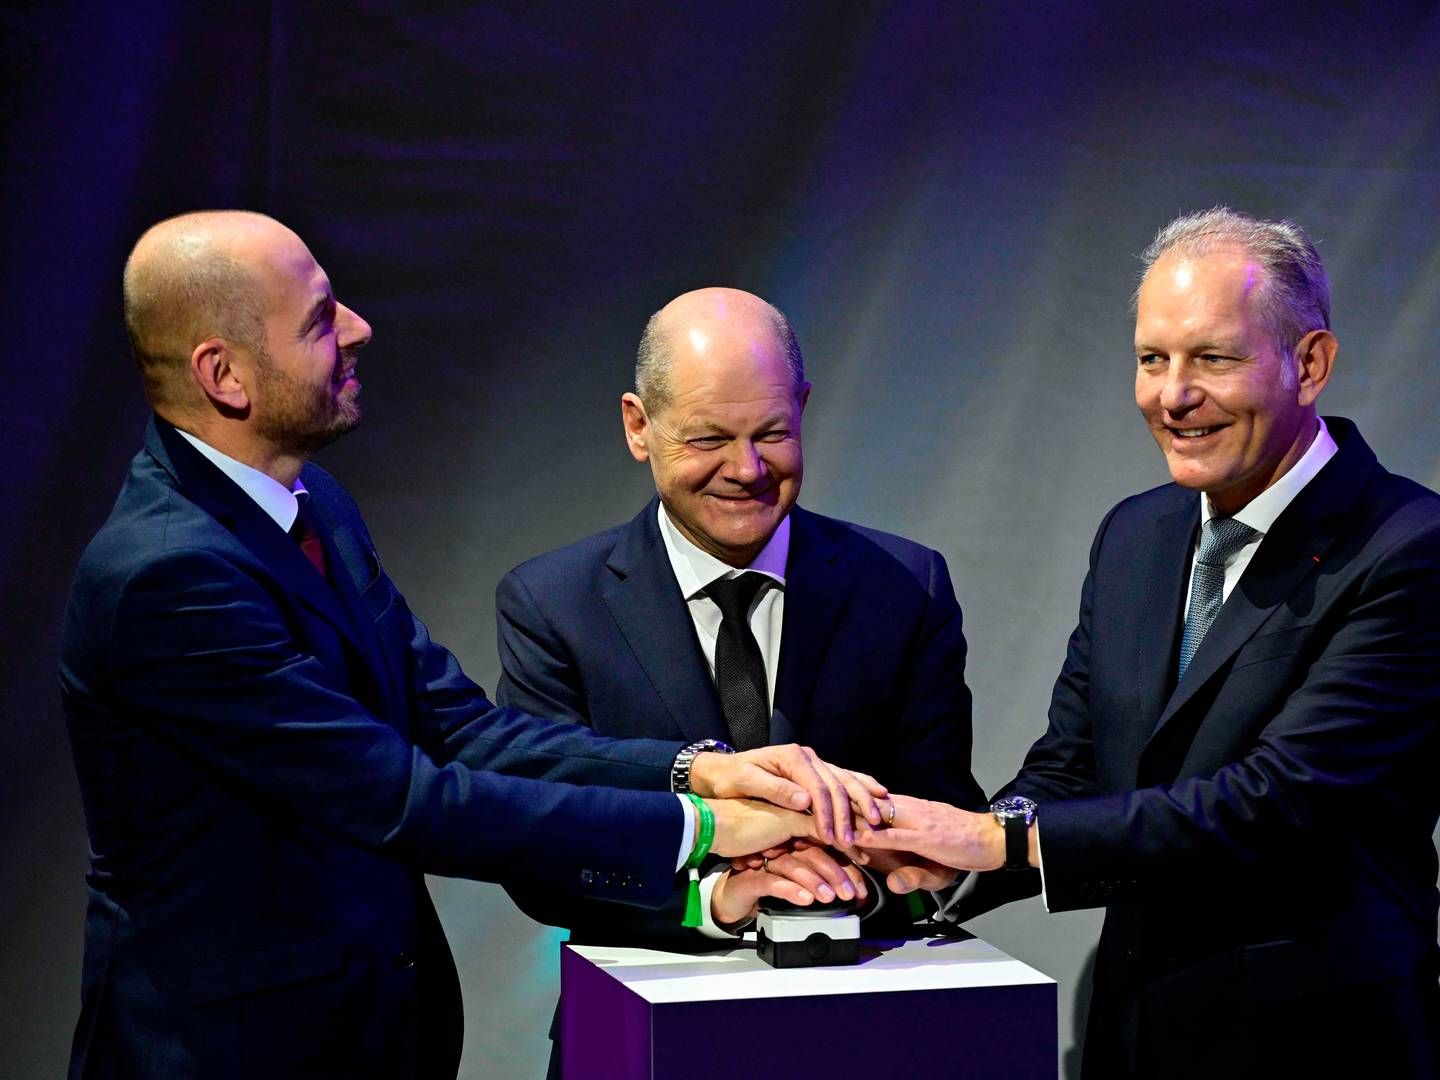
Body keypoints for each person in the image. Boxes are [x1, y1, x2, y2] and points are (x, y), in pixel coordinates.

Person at [60, 212, 885, 1080]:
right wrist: (705, 829)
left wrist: (697, 770)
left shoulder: (317, 508)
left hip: (370, 1038)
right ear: (223, 375)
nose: (357, 328)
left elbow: (465, 731)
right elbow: (406, 800)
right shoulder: (167, 577)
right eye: (318, 317)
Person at [859, 208, 1440, 1076]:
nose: (1172, 395)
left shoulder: (1408, 547)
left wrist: (1004, 844)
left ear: (1310, 364)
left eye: (1213, 358)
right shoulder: (1136, 534)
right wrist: (938, 856)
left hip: (1317, 1049)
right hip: (1133, 1036)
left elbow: (1275, 804)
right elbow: (1073, 765)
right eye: (1151, 359)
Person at [496, 286, 984, 943]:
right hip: (641, 1028)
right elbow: (538, 849)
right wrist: (715, 898)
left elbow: (947, 820)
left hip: (864, 1010)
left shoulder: (904, 588)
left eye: (772, 433)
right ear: (638, 425)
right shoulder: (553, 605)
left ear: (803, 407)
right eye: (709, 438)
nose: (747, 468)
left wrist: (847, 885)